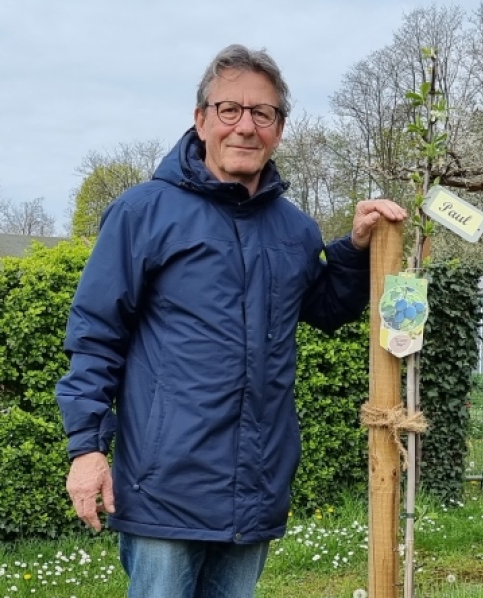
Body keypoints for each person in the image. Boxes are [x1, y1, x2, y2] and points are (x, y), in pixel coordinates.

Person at [55, 43, 407, 598]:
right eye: (229, 110)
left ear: (279, 129)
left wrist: (355, 248)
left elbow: (323, 309)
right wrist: (87, 450)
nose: (245, 126)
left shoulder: (294, 230)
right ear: (200, 120)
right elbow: (96, 336)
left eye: (261, 113)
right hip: (163, 487)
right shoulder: (144, 213)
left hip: (255, 485)